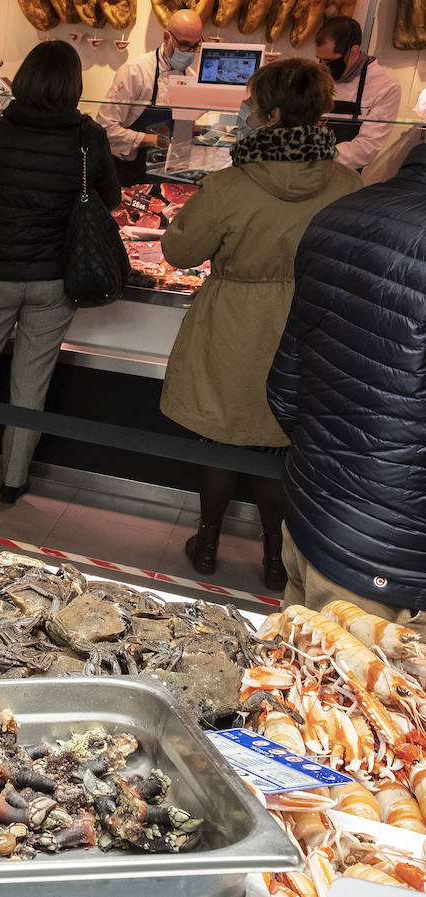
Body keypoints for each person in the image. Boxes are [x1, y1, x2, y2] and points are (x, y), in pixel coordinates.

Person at [160, 58, 359, 590]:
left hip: (232, 324)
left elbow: (179, 252)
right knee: (280, 447)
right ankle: (276, 557)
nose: (244, 110)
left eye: (250, 101)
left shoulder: (229, 185)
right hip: (309, 329)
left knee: (222, 442)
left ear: (268, 113)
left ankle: (206, 544)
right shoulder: (348, 183)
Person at [0, 41, 120, 506]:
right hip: (55, 278)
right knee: (31, 380)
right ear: (73, 85)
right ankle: (13, 478)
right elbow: (111, 200)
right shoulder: (88, 137)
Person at [266, 143, 426, 618]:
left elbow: (284, 392)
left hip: (313, 517)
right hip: (395, 565)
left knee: (296, 681)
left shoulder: (340, 213)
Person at [95, 9, 202, 186]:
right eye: (183, 44)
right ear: (167, 37)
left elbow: (181, 126)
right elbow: (105, 128)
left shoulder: (190, 77)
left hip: (169, 171)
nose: (189, 52)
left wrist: (194, 129)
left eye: (195, 46)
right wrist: (153, 140)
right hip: (130, 170)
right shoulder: (135, 72)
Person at [314, 16, 402, 172]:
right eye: (321, 60)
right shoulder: (315, 76)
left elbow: (365, 148)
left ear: (354, 51)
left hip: (342, 175)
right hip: (302, 170)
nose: (324, 67)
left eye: (330, 61)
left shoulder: (385, 86)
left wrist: (315, 159)